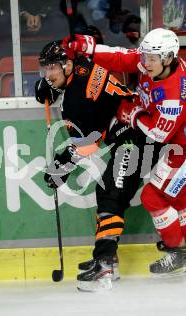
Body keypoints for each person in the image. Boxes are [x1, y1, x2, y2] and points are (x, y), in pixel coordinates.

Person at [66, 28, 186, 276]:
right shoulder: (155, 63)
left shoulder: (174, 93)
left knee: (153, 198)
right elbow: (121, 58)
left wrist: (134, 115)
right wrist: (89, 48)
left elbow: (159, 134)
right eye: (146, 55)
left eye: (152, 58)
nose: (145, 61)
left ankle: (179, 252)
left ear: (169, 58)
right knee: (176, 197)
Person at [35, 40, 161, 291]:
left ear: (67, 64)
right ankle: (107, 259)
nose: (48, 75)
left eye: (53, 69)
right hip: (136, 130)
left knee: (110, 194)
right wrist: (55, 87)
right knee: (108, 193)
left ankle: (104, 266)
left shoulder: (75, 101)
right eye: (45, 70)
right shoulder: (82, 64)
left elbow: (88, 143)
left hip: (137, 137)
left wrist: (61, 167)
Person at [0, 0, 71, 59]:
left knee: (62, 22)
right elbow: (3, 2)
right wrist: (23, 13)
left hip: (48, 17)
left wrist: (41, 14)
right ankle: (7, 65)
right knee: (1, 24)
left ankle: (62, 62)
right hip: (19, 18)